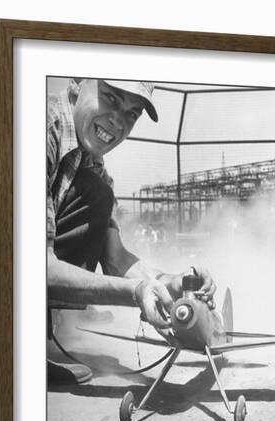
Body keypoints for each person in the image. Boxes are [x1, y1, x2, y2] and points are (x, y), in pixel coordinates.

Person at [47, 78, 216, 383]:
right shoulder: (35, 129)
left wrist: (173, 283)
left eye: (131, 113)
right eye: (110, 98)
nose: (118, 120)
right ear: (75, 85)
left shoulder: (93, 165)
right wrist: (135, 292)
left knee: (98, 192)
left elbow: (116, 259)